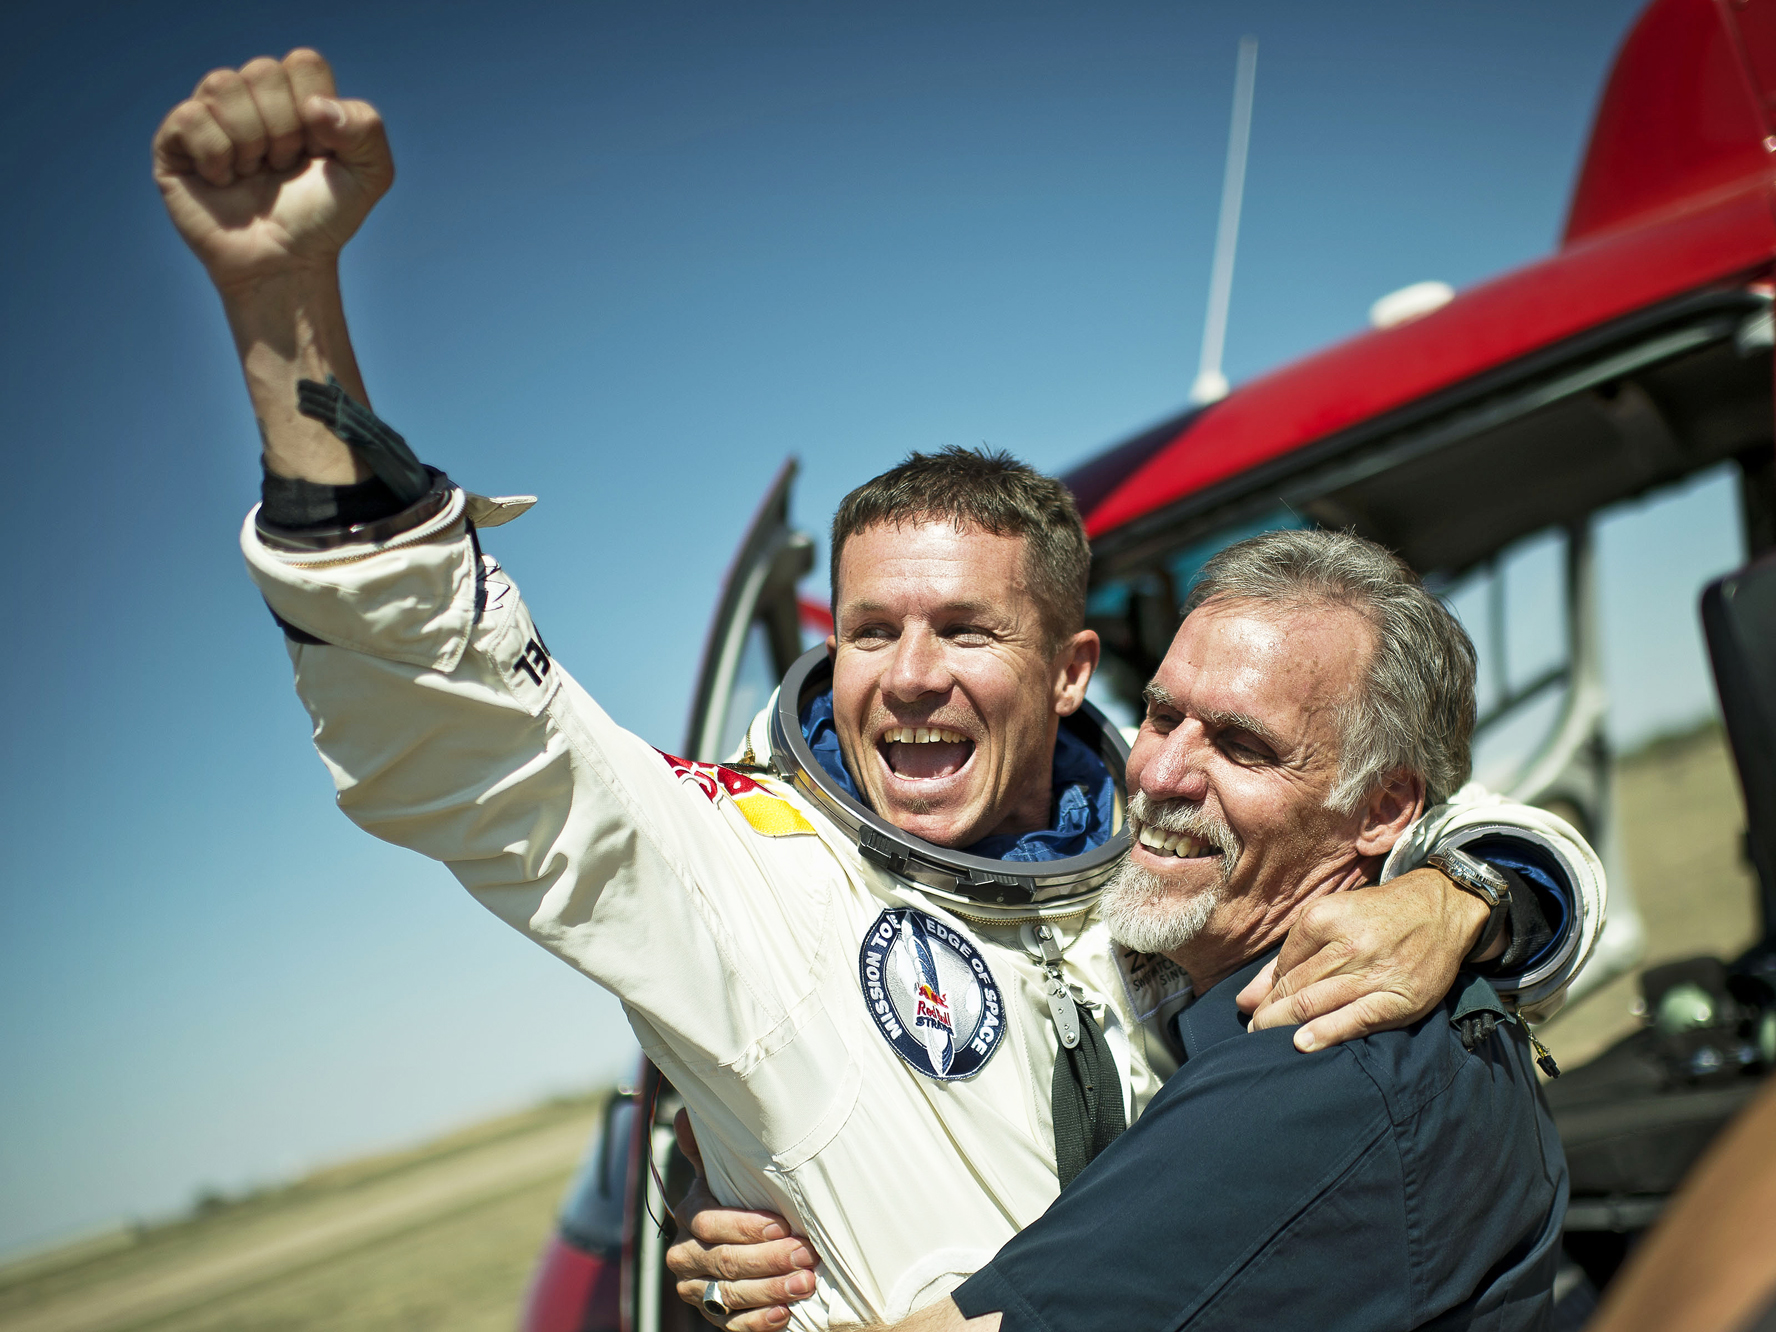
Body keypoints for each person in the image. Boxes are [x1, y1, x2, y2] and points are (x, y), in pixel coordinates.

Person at [152, 50, 1603, 1331]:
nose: (908, 680)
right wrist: (286, 311)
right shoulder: (740, 875)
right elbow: (467, 727)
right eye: (869, 631)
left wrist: (1473, 899)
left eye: (966, 632)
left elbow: (1456, 825)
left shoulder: (1159, 849)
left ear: (1070, 672)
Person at [682, 531, 1571, 1331]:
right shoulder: (1155, 919)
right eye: (1161, 715)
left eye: (1243, 746)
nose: (1159, 773)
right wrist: (744, 1193)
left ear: (1382, 810)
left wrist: (1473, 894)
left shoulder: (1320, 1070)